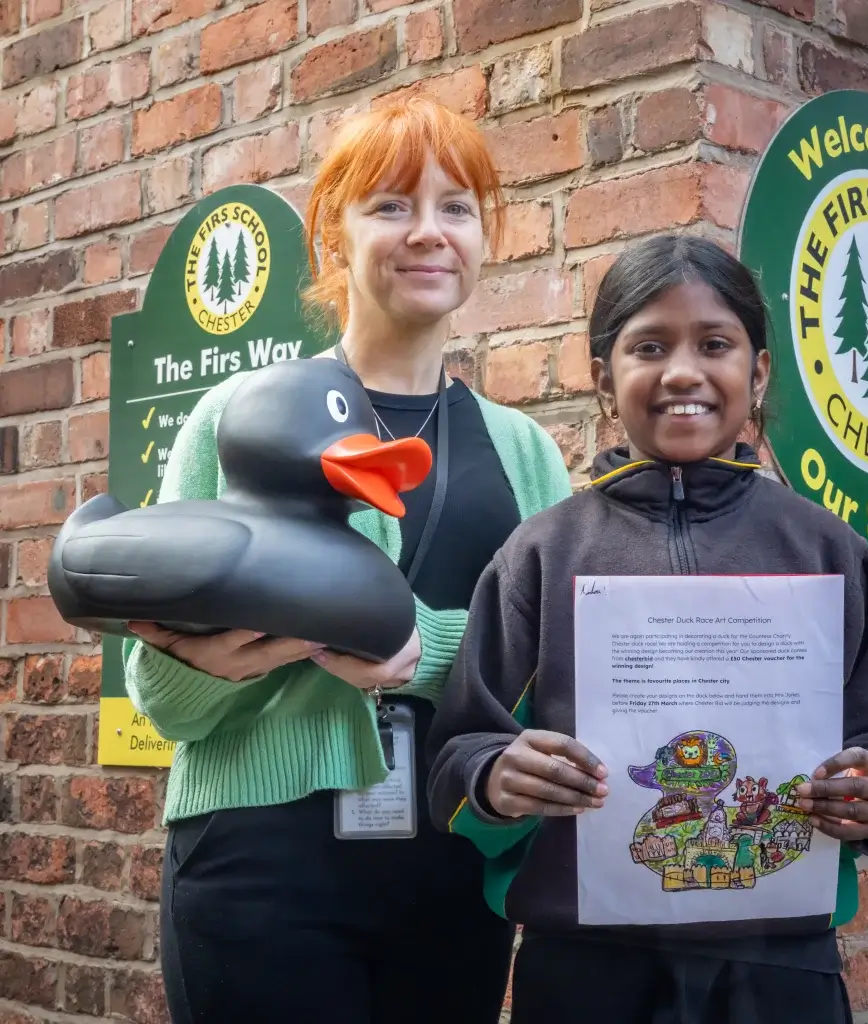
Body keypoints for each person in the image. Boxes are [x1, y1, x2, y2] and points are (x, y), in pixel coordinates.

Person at [122, 96, 572, 1024]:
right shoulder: (236, 416)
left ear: (484, 237)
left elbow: (549, 672)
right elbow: (159, 698)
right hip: (256, 861)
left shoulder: (527, 453)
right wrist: (241, 656)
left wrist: (419, 647)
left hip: (452, 865)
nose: (428, 232)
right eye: (392, 205)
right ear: (335, 231)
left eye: (456, 207)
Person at [425, 234, 868, 1024]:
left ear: (758, 373)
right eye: (650, 347)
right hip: (585, 971)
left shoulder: (825, 550)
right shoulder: (542, 556)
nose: (683, 372)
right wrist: (496, 779)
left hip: (780, 970)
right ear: (605, 379)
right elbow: (460, 753)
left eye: (715, 344)